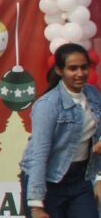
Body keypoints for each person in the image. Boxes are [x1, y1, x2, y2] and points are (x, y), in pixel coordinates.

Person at [20, 43, 101, 218]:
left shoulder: (93, 94)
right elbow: (39, 154)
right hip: (48, 180)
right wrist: (36, 206)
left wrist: (99, 178)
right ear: (59, 70)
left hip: (80, 178)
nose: (80, 73)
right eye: (73, 68)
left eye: (84, 67)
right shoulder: (48, 104)